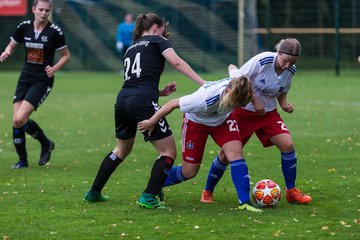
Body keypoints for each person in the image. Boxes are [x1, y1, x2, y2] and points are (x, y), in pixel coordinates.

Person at [84, 13, 205, 209]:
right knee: (168, 152)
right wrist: (203, 83)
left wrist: (161, 92)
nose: (165, 33)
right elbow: (176, 62)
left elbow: (136, 82)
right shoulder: (159, 40)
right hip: (141, 102)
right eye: (163, 29)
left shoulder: (131, 48)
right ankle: (148, 197)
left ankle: (93, 193)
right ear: (156, 28)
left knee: (121, 150)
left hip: (123, 100)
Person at [200, 38, 312, 205]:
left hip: (268, 114)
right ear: (278, 53)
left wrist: (284, 105)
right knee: (225, 155)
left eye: (292, 62)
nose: (288, 65)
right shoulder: (262, 60)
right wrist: (254, 100)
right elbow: (239, 81)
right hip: (242, 113)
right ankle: (207, 192)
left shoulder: (291, 70)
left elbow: (282, 90)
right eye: (285, 61)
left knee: (287, 145)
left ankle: (291, 191)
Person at [138, 76, 263, 212]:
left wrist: (255, 102)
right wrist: (151, 122)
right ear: (228, 92)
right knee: (189, 172)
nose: (243, 106)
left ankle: (244, 202)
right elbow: (172, 104)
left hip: (222, 122)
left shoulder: (239, 83)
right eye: (239, 104)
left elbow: (232, 66)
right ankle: (155, 185)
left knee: (235, 153)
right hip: (196, 123)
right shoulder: (203, 100)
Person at [0, 0, 71, 169]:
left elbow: (66, 56)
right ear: (33, 9)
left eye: (47, 10)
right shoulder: (24, 27)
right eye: (40, 9)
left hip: (42, 80)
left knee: (19, 118)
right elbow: (11, 46)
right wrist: (6, 52)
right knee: (16, 121)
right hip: (25, 77)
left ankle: (46, 144)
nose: (43, 13)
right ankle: (23, 160)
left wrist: (54, 68)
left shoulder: (55, 32)